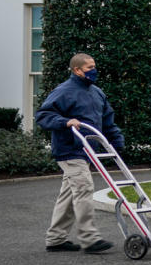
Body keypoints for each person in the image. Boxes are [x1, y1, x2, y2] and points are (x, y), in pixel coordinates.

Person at [36, 52, 124, 254]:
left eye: (94, 66)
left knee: (69, 194)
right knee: (84, 187)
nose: (94, 71)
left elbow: (108, 121)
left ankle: (56, 239)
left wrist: (117, 143)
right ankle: (89, 238)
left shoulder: (97, 92)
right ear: (76, 70)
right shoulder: (64, 91)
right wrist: (65, 122)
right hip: (69, 150)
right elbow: (43, 115)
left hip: (88, 150)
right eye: (89, 68)